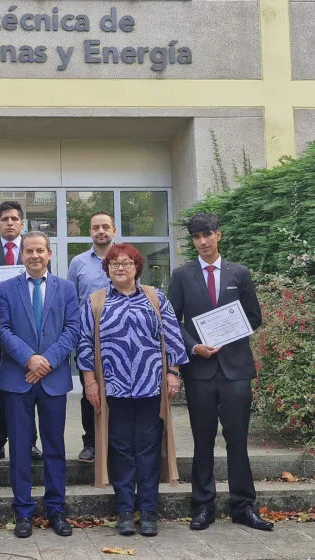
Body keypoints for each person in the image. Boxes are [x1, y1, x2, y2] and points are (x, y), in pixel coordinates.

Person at [167, 213, 273, 532]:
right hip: (199, 370)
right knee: (202, 441)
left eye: (208, 234)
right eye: (197, 237)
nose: (202, 241)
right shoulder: (182, 275)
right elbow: (172, 321)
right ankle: (202, 506)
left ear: (219, 235)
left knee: (238, 440)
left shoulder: (239, 273)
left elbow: (253, 317)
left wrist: (229, 331)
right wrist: (194, 347)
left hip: (236, 369)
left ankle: (243, 505)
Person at [78, 243, 187, 537]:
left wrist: (173, 373)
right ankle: (125, 510)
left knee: (149, 450)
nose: (120, 268)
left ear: (137, 267)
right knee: (121, 450)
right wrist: (90, 382)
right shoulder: (96, 301)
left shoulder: (155, 297)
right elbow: (85, 344)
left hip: (150, 387)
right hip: (114, 390)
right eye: (114, 264)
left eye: (126, 263)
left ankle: (149, 511)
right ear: (107, 270)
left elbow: (173, 336)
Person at [0, 232, 79, 539]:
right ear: (21, 255)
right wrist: (29, 359)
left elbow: (73, 328)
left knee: (54, 447)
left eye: (39, 250)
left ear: (49, 254)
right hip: (17, 378)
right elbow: (2, 331)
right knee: (19, 448)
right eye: (28, 251)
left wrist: (46, 361)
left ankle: (56, 509)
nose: (34, 255)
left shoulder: (67, 288)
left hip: (53, 378)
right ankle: (23, 511)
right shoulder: (5, 289)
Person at [0, 201, 41, 462]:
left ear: (22, 223)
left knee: (28, 390)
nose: (10, 223)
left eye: (15, 219)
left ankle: (29, 442)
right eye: (5, 219)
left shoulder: (31, 249)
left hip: (25, 330)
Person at [68, 211, 117, 464]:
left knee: (119, 392)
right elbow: (71, 301)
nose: (101, 231)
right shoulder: (78, 263)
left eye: (105, 227)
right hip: (87, 337)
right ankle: (90, 443)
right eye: (96, 227)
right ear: (90, 232)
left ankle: (114, 441)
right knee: (90, 391)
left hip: (120, 338)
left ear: (114, 230)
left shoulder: (125, 258)